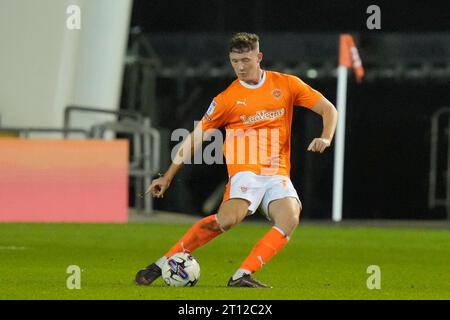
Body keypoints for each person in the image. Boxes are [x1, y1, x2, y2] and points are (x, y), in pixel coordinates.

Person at [135, 32, 338, 288]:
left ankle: (241, 275)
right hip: (246, 173)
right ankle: (162, 264)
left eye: (245, 60)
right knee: (227, 221)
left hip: (277, 173)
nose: (240, 67)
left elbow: (328, 109)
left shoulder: (287, 84)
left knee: (290, 218)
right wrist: (168, 175)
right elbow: (195, 138)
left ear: (259, 57)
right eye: (234, 61)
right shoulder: (226, 99)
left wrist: (326, 137)